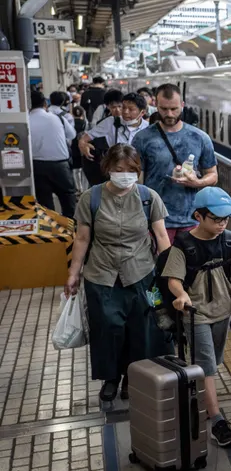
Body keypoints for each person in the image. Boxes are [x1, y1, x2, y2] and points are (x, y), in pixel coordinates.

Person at [66, 145, 171, 403]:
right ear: (108, 169)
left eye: (131, 170)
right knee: (108, 328)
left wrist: (171, 277)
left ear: (138, 171)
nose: (125, 175)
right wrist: (73, 273)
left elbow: (161, 237)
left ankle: (133, 377)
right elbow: (81, 238)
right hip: (101, 274)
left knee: (142, 329)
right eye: (118, 170)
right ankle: (111, 377)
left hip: (143, 274)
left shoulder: (149, 197)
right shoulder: (91, 198)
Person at [162, 186, 231, 448]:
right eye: (216, 219)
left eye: (226, 219)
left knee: (212, 362)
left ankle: (205, 398)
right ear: (198, 216)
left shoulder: (230, 241)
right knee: (207, 367)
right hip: (196, 315)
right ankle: (217, 421)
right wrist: (181, 296)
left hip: (222, 313)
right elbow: (173, 280)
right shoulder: (184, 245)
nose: (222, 224)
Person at [133, 83, 217, 245]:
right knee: (162, 268)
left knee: (191, 268)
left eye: (174, 109)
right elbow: (138, 182)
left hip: (192, 221)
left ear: (182, 106)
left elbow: (213, 175)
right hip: (157, 222)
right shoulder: (142, 139)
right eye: (164, 109)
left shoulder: (199, 138)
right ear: (155, 105)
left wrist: (197, 183)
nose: (169, 114)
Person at [29, 89, 78, 218]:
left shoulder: (26, 121)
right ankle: (70, 226)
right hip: (60, 165)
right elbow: (72, 134)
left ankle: (51, 229)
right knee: (67, 197)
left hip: (36, 165)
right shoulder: (57, 118)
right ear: (45, 103)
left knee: (44, 200)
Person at [79, 92, 150, 162]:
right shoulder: (111, 122)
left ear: (142, 113)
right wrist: (83, 145)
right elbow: (84, 139)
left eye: (131, 109)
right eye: (124, 107)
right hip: (116, 168)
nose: (125, 112)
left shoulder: (148, 128)